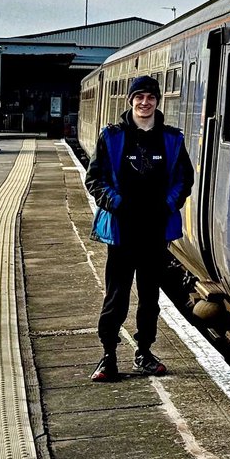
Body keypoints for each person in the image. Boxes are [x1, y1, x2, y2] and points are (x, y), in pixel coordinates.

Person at [85, 76, 194, 382]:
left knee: (150, 297)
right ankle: (108, 356)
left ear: (158, 101)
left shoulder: (173, 139)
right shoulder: (111, 136)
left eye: (150, 97)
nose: (145, 102)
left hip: (155, 231)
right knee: (116, 296)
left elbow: (184, 180)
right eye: (139, 97)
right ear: (130, 100)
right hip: (122, 231)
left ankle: (144, 353)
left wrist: (169, 204)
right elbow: (95, 179)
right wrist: (116, 202)